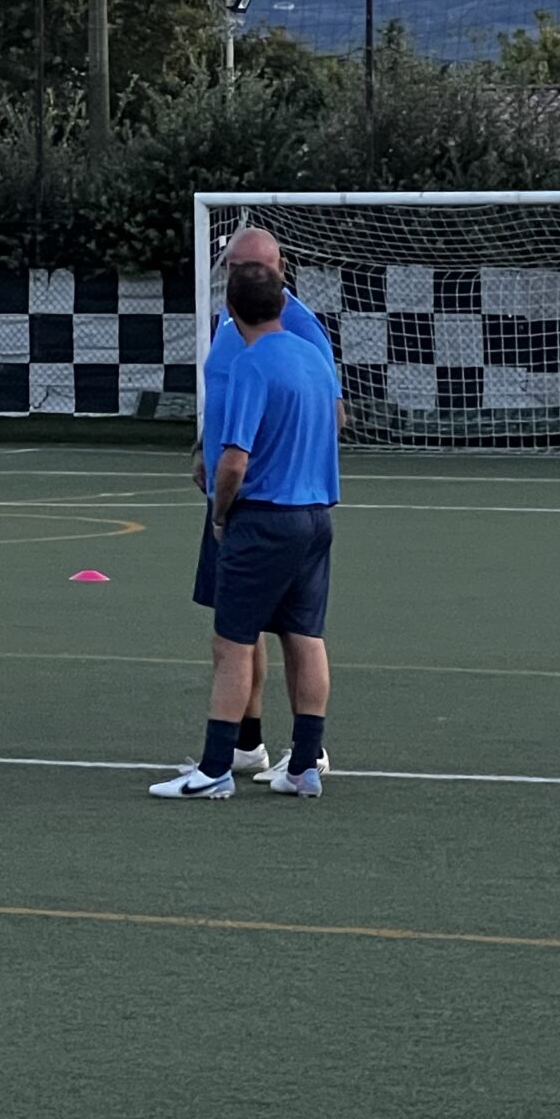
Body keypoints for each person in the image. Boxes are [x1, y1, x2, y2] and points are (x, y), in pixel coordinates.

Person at [153, 260, 340, 801]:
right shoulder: (313, 356)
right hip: (315, 516)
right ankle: (305, 764)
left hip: (263, 518)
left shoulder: (251, 366)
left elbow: (233, 461)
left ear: (231, 312)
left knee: (233, 642)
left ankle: (215, 767)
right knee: (306, 639)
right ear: (283, 303)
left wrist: (219, 513)